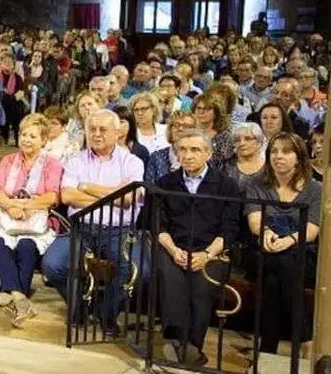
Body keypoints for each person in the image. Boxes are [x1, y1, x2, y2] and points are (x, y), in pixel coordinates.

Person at [41, 109, 147, 330]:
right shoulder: (76, 160)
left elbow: (128, 198)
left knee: (139, 271)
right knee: (52, 265)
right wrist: (113, 195)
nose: (96, 134)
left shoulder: (132, 162)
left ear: (117, 133)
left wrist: (88, 187)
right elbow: (68, 196)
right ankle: (79, 305)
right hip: (81, 228)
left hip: (119, 230)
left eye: (103, 129)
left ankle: (105, 313)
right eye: (92, 129)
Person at [154, 130, 240, 366]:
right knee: (172, 277)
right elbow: (157, 224)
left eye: (195, 150)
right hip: (173, 247)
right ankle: (175, 340)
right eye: (183, 150)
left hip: (211, 251)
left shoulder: (226, 186)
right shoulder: (165, 183)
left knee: (202, 285)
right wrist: (174, 250)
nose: (188, 155)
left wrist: (207, 254)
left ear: (208, 154)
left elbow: (229, 229)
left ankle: (193, 345)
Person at [0, 114, 62, 328]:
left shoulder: (52, 164)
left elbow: (52, 196)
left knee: (26, 246)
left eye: (32, 136)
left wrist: (25, 207)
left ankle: (14, 295)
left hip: (37, 220)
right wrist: (10, 206)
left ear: (44, 140)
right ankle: (20, 298)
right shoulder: (8, 160)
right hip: (9, 218)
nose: (26, 139)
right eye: (23, 134)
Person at [245, 132, 321, 354]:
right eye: (274, 151)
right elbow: (254, 220)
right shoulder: (257, 184)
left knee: (274, 278)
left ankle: (268, 347)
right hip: (263, 250)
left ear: (299, 157)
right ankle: (304, 337)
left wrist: (288, 241)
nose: (278, 156)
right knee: (279, 266)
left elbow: (312, 231)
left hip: (299, 251)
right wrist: (266, 233)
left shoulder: (314, 189)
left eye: (286, 152)